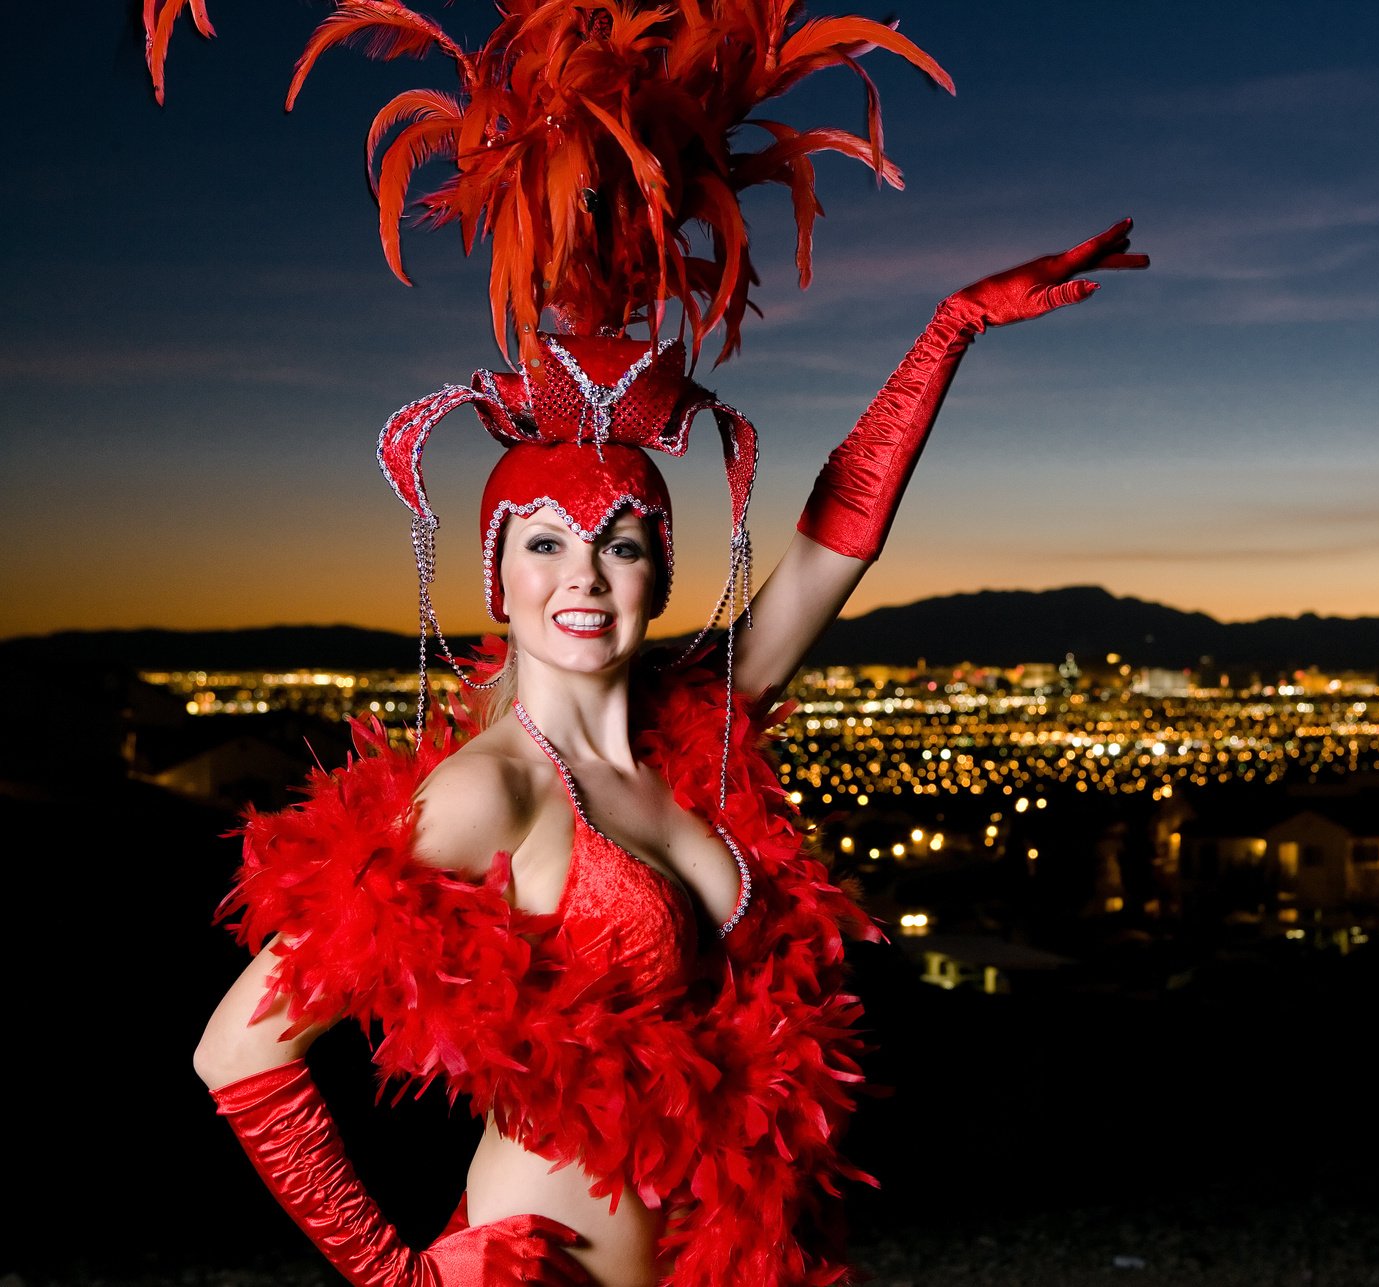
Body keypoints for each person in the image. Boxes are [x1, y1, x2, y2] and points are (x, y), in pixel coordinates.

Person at [146, 5, 1145, 1285]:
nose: (585, 577)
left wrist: (945, 335)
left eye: (620, 543)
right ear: (494, 576)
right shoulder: (487, 788)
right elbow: (236, 1048)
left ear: (662, 574)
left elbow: (837, 545)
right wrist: (390, 1277)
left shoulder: (702, 726)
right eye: (546, 544)